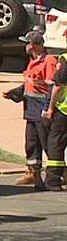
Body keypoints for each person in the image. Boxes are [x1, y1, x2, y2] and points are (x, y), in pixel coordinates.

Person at [17, 30, 55, 190]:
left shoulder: (49, 61)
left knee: (47, 143)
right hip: (30, 109)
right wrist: (17, 92)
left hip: (42, 109)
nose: (26, 46)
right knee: (31, 143)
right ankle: (34, 174)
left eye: (28, 43)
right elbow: (30, 83)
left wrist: (48, 108)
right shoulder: (32, 60)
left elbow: (53, 85)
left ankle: (59, 173)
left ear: (34, 45)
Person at [40, 43, 67, 191]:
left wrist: (50, 108)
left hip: (64, 110)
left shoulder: (65, 59)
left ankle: (53, 180)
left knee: (55, 143)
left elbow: (58, 85)